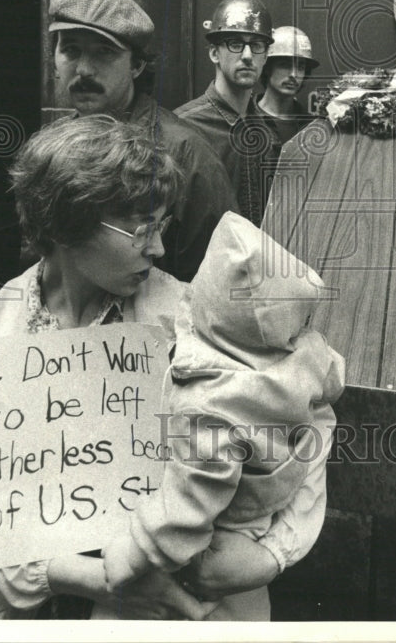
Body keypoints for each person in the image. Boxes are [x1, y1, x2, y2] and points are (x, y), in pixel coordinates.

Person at [0, 117, 332, 620]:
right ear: (68, 222)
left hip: (209, 607)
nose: (156, 248)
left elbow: (310, 417)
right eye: (139, 228)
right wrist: (88, 579)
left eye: (161, 225)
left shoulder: (197, 317)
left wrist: (274, 552)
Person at [103, 211, 344, 620]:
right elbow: (331, 386)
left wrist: (138, 549)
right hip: (267, 507)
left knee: (198, 599)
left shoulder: (211, 402)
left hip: (221, 528)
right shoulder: (308, 355)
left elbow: (192, 497)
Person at [49, 0, 237, 282]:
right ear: (54, 59)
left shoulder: (184, 153)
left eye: (103, 53)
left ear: (136, 65)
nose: (84, 69)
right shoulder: (53, 149)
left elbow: (220, 282)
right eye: (70, 50)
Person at [175, 0, 277, 226]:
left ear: (266, 56)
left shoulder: (267, 131)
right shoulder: (182, 129)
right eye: (236, 44)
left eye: (257, 45)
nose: (248, 56)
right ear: (214, 53)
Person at [257, 26, 318, 146]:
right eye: (285, 65)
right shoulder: (244, 118)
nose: (294, 75)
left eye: (300, 67)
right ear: (267, 67)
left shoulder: (312, 126)